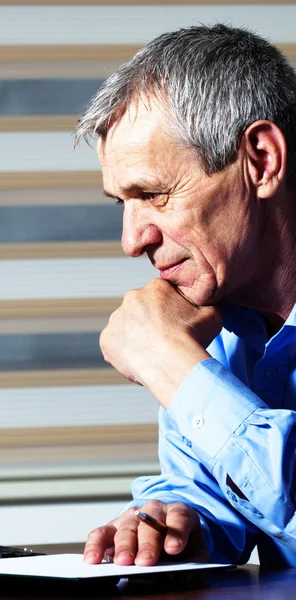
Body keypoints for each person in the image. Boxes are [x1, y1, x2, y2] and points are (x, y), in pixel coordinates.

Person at [74, 24, 296, 569]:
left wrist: (172, 367)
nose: (132, 242)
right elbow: (218, 491)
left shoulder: (180, 349)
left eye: (153, 194)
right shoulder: (211, 318)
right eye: (120, 203)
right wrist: (178, 520)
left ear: (261, 161)